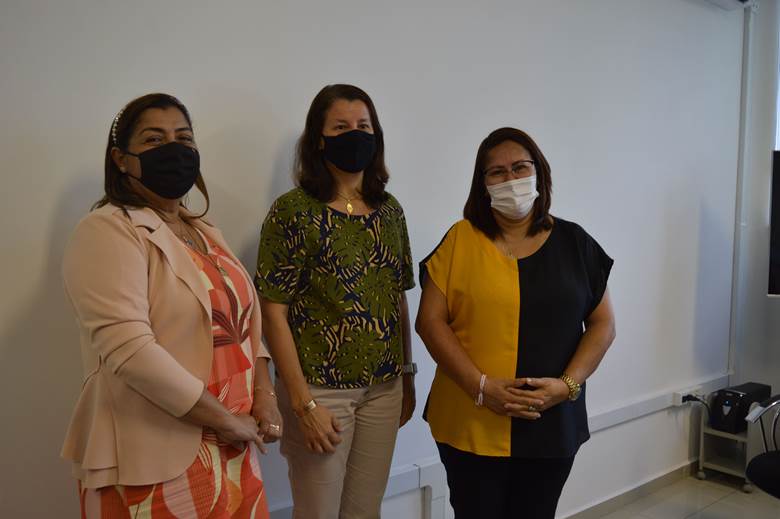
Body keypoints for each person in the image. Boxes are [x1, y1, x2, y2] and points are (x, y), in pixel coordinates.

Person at [61, 93, 281, 518]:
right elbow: (130, 351)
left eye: (183, 138)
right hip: (153, 459)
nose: (173, 149)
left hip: (234, 449)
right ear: (120, 159)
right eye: (154, 139)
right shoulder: (106, 231)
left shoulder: (203, 230)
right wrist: (223, 419)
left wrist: (264, 394)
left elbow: (242, 325)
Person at [416, 127, 616, 518]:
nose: (510, 179)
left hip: (550, 424)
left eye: (520, 167)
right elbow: (430, 322)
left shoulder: (576, 243)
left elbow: (603, 324)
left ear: (539, 173)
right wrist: (481, 387)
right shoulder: (459, 240)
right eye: (497, 172)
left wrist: (567, 385)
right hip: (470, 421)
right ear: (483, 184)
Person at [255, 84, 416, 519]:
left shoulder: (390, 211)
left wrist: (407, 375)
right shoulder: (293, 211)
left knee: (365, 511)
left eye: (364, 125)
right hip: (320, 391)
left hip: (384, 389)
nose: (355, 134)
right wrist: (302, 404)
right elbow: (272, 311)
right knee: (318, 512)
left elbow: (397, 298)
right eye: (341, 127)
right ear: (319, 140)